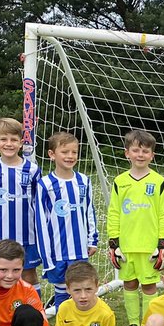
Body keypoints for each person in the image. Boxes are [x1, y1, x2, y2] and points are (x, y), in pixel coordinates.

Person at [106, 129, 164, 326]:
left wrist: (162, 244)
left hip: (149, 246)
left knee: (149, 286)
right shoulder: (120, 181)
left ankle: (147, 325)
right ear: (127, 153)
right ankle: (133, 324)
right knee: (130, 284)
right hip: (126, 246)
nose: (140, 155)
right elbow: (114, 211)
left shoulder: (159, 181)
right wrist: (113, 243)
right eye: (136, 150)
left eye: (145, 151)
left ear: (152, 155)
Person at [36, 131, 98, 309]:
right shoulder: (45, 185)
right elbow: (41, 222)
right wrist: (47, 258)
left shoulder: (83, 181)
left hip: (79, 250)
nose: (70, 156)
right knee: (62, 291)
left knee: (81, 289)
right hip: (58, 250)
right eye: (65, 152)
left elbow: (89, 211)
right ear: (52, 154)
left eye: (74, 152)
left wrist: (92, 239)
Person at [0, 117, 42, 292]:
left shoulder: (31, 169)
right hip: (0, 234)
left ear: (21, 142)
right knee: (0, 273)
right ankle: (2, 308)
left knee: (28, 273)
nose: (8, 144)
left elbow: (37, 202)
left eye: (14, 140)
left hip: (27, 234)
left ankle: (35, 308)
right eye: (3, 139)